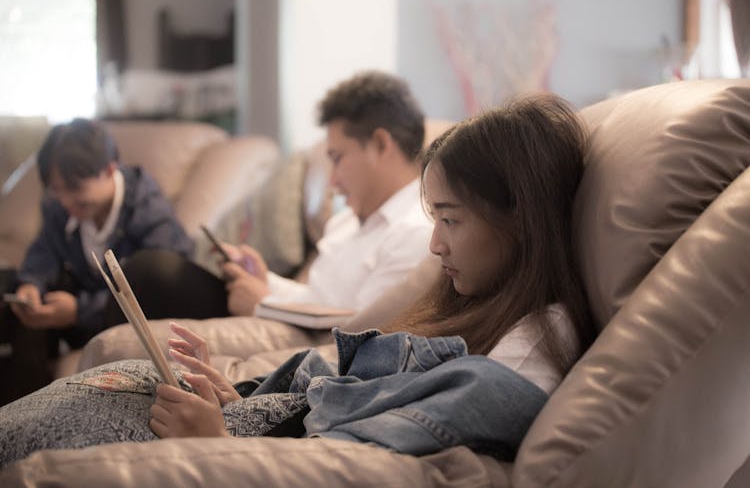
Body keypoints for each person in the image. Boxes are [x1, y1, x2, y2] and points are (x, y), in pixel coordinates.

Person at [0, 93, 597, 466]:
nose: (436, 241)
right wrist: (249, 400)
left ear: (520, 219)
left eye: (449, 219)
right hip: (265, 404)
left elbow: (361, 438)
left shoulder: (528, 346)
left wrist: (227, 442)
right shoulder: (454, 296)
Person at [91, 70, 434, 361]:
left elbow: (364, 329)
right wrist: (264, 279)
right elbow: (314, 299)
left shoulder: (415, 232)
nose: (333, 180)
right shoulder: (347, 222)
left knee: (153, 273)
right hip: (286, 319)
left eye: (338, 157)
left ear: (380, 144)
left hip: (304, 343)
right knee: (149, 273)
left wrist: (263, 304)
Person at [0, 118, 193, 403]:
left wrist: (80, 311)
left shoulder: (148, 210)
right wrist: (31, 284)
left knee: (148, 270)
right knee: (11, 288)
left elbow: (157, 289)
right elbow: (44, 250)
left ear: (109, 169)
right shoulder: (59, 204)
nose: (65, 201)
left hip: (127, 314)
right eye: (56, 189)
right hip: (77, 308)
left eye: (75, 189)